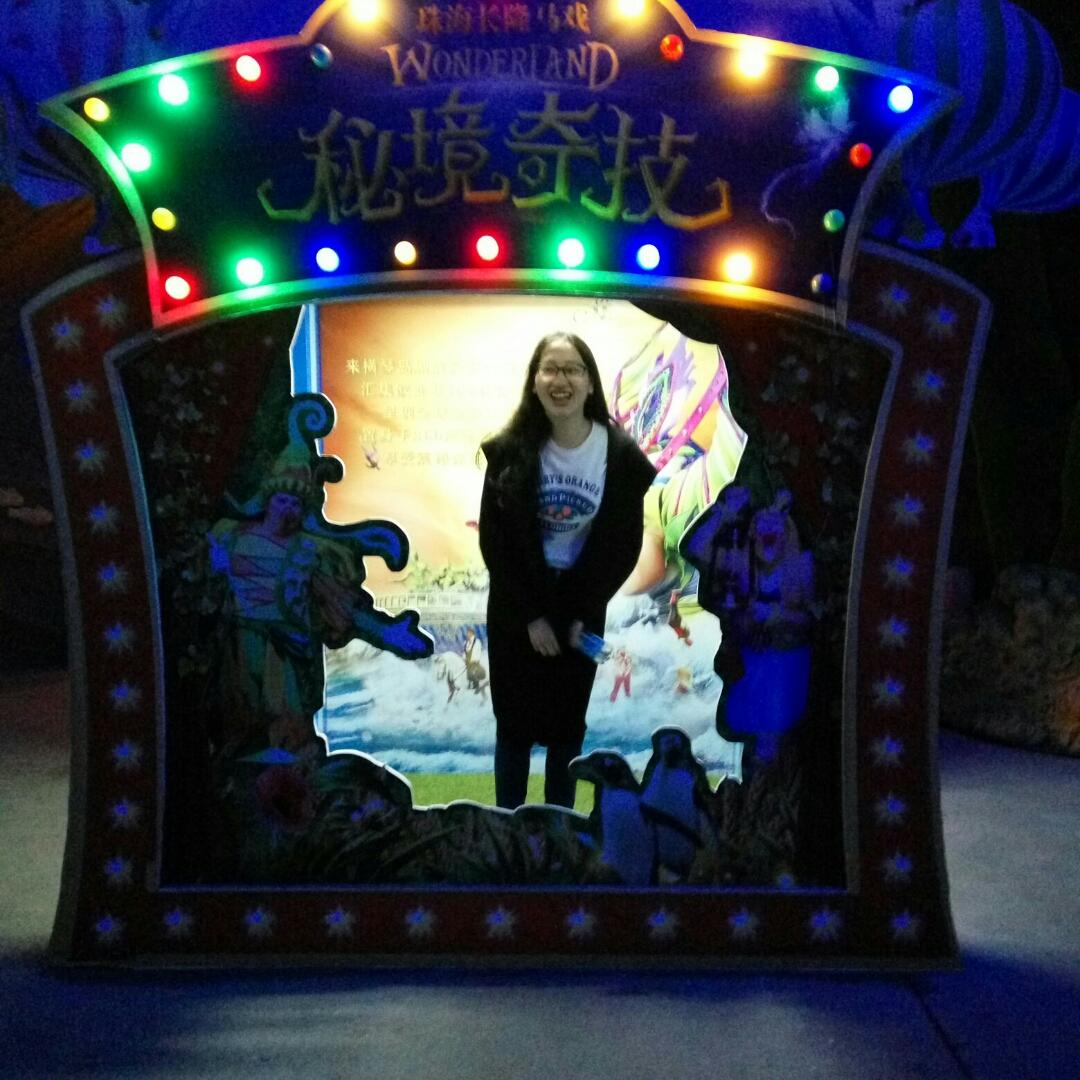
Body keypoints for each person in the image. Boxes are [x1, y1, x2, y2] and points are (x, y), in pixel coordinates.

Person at [479, 331, 655, 810]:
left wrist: (576, 614)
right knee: (513, 729)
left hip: (582, 605)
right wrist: (532, 617)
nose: (562, 380)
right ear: (534, 382)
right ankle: (509, 831)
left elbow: (623, 548)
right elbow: (495, 544)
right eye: (550, 369)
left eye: (573, 369)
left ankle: (559, 832)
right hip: (518, 606)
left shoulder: (619, 456)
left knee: (566, 731)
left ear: (590, 383)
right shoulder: (508, 452)